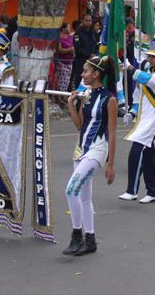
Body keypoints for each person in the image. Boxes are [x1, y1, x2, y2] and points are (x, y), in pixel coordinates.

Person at [63, 55, 117, 256]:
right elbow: (80, 125)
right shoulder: (85, 95)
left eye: (86, 71)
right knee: (85, 197)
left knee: (71, 190)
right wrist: (71, 104)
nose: (82, 74)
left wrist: (110, 164)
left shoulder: (110, 99)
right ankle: (91, 240)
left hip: (97, 151)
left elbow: (112, 133)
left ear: (96, 74)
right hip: (80, 149)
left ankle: (77, 235)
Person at [119, 34, 155, 204]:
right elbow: (138, 96)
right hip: (144, 117)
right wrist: (132, 112)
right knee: (149, 157)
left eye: (154, 56)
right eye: (149, 55)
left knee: (136, 151)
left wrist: (132, 70)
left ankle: (131, 190)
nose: (150, 58)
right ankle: (153, 191)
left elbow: (152, 81)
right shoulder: (146, 68)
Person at [72, 14, 98, 89]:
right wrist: (89, 55)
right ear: (83, 21)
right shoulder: (78, 33)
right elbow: (78, 48)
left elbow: (98, 45)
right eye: (86, 20)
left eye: (89, 21)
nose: (88, 22)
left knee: (92, 78)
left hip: (92, 61)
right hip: (81, 60)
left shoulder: (94, 33)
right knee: (80, 78)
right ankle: (78, 98)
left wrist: (95, 54)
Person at [55, 23, 75, 103]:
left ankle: (64, 96)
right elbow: (59, 50)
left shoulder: (70, 37)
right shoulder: (59, 38)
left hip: (70, 61)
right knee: (61, 81)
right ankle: (59, 97)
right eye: (68, 27)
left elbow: (73, 47)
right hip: (62, 62)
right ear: (63, 29)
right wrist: (69, 50)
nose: (69, 28)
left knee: (67, 81)